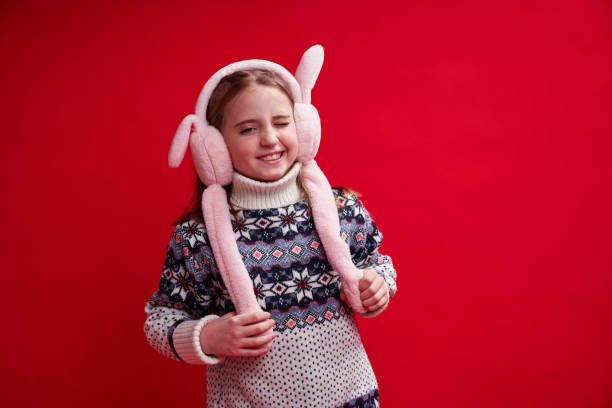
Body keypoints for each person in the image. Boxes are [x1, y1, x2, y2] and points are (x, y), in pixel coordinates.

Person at [144, 45, 397, 407]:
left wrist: (377, 286)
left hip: (351, 397)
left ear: (303, 127)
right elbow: (161, 318)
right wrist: (205, 336)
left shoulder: (342, 208)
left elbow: (376, 265)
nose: (269, 138)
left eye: (281, 123)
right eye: (248, 129)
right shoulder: (198, 237)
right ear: (214, 147)